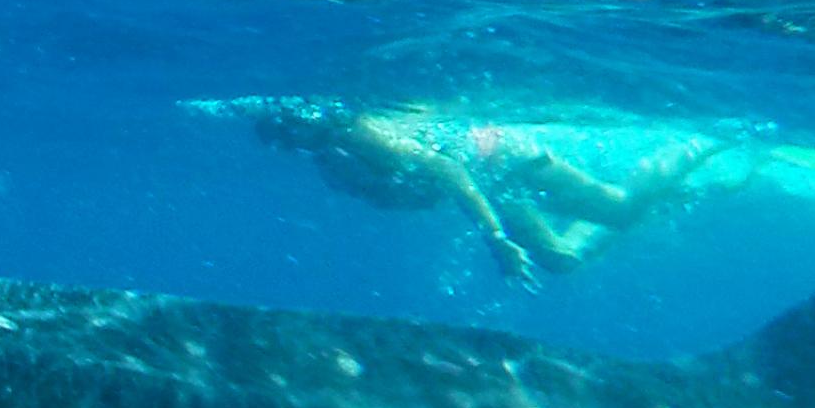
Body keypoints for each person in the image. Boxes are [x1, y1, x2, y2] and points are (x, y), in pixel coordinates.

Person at [243, 99, 723, 285]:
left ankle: (702, 141)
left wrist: (495, 237)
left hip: (504, 158)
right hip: (491, 182)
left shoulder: (362, 135)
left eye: (291, 133)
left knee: (617, 210)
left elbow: (450, 172)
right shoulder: (328, 157)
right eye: (282, 140)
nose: (289, 144)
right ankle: (664, 193)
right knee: (559, 259)